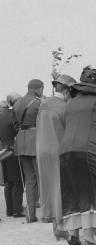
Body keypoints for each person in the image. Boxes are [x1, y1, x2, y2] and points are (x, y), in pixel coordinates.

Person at [59, 66, 96, 245]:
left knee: (73, 188)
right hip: (88, 151)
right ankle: (89, 238)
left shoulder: (71, 103)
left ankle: (73, 234)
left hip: (66, 151)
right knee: (94, 189)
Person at [36, 75, 76, 239]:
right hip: (58, 149)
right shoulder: (65, 107)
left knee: (48, 186)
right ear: (67, 90)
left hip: (42, 149)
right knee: (60, 186)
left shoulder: (43, 104)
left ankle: (53, 222)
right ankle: (60, 225)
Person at [14, 79, 44, 223]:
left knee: (29, 180)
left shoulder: (17, 102)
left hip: (21, 140)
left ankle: (31, 215)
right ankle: (46, 213)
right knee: (41, 178)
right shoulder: (38, 103)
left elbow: (15, 124)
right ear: (38, 89)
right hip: (35, 139)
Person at [0, 93, 25, 218]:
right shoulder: (14, 114)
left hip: (4, 150)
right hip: (13, 149)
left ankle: (9, 210)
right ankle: (17, 210)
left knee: (8, 181)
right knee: (18, 180)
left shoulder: (3, 114)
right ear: (15, 102)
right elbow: (18, 131)